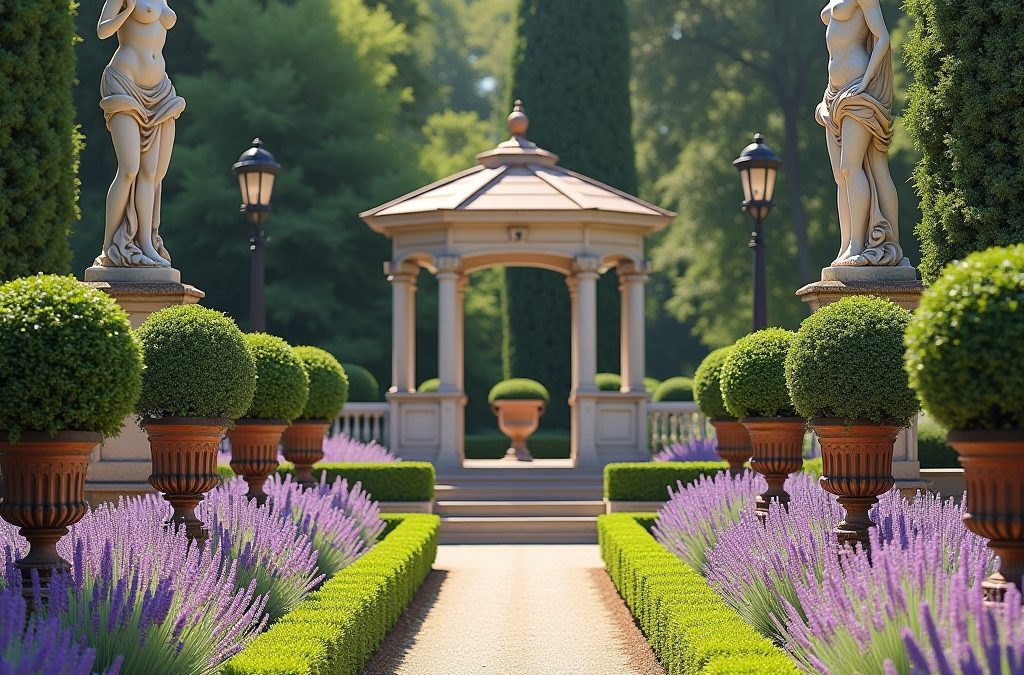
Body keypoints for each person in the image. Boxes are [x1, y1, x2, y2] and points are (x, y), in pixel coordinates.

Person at [816, 0, 906, 267]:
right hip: (832, 94)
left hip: (857, 89)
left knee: (852, 167)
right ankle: (846, 246)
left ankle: (859, 244)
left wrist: (866, 82)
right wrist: (824, 100)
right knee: (841, 176)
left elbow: (883, 37)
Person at [96, 0, 185, 268]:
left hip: (159, 91)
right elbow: (102, 31)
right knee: (129, 168)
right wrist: (126, 11)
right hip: (125, 83)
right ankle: (109, 248)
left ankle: (146, 241)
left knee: (152, 173)